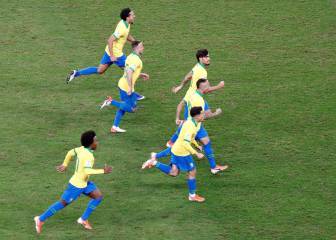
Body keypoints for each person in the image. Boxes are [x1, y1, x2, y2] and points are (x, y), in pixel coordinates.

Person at [33, 131, 112, 234]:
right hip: (76, 185)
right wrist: (103, 171)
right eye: (95, 140)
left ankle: (83, 219)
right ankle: (40, 219)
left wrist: (65, 164)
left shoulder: (81, 149)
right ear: (90, 143)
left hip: (85, 183)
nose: (97, 142)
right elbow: (87, 170)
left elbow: (70, 152)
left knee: (98, 196)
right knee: (62, 203)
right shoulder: (89, 156)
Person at [66, 8, 144, 100]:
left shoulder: (126, 24)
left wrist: (135, 42)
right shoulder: (122, 28)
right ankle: (133, 94)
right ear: (127, 17)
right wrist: (112, 56)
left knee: (100, 70)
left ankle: (76, 73)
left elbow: (126, 35)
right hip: (116, 55)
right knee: (130, 70)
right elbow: (110, 40)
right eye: (132, 15)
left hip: (109, 51)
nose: (134, 16)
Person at [142, 107, 206, 203]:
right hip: (182, 153)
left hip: (176, 149)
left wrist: (197, 145)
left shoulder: (192, 122)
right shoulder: (190, 126)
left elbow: (190, 138)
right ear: (197, 116)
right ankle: (192, 196)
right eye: (202, 114)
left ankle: (154, 162)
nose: (203, 115)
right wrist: (196, 153)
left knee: (174, 172)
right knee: (192, 172)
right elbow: (185, 143)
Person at [164, 78, 228, 174]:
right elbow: (204, 116)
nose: (210, 88)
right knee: (198, 143)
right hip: (194, 126)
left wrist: (180, 119)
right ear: (204, 89)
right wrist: (216, 113)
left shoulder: (192, 94)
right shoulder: (199, 101)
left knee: (183, 141)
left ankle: (168, 149)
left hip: (189, 123)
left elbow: (183, 105)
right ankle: (159, 159)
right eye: (208, 86)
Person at [100, 41, 149, 133]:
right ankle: (110, 102)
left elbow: (127, 70)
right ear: (137, 47)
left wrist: (140, 74)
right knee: (132, 109)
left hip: (122, 84)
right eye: (142, 46)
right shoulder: (136, 60)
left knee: (124, 105)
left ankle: (114, 127)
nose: (143, 48)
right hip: (126, 87)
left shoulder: (130, 56)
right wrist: (130, 88)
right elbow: (130, 72)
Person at [172, 49, 225, 119]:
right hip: (195, 99)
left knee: (207, 114)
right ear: (200, 58)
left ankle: (214, 113)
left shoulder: (197, 66)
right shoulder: (202, 72)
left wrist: (180, 86)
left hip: (196, 96)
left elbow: (187, 77)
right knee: (194, 120)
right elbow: (206, 90)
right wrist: (219, 86)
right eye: (206, 57)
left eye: (208, 56)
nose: (209, 59)